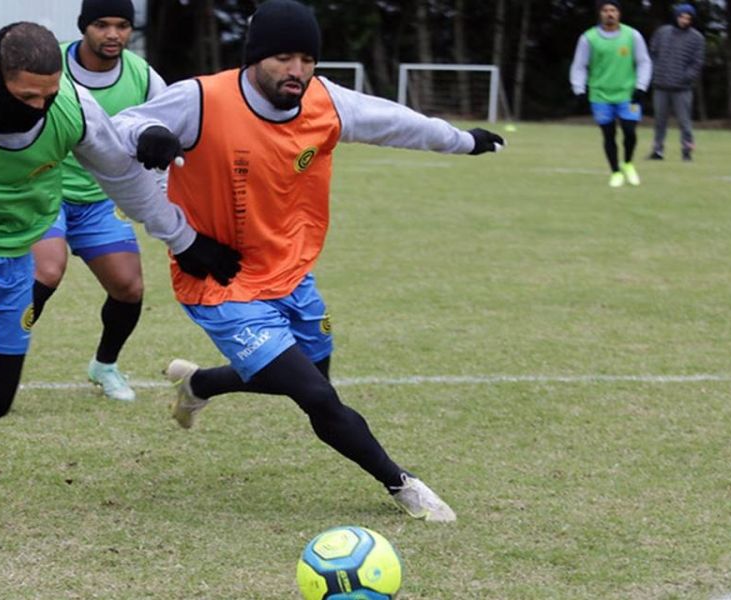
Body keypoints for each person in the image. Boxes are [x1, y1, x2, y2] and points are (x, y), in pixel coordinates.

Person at [112, 0, 504, 523]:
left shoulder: (326, 102)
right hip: (219, 279)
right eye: (282, 58)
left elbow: (398, 122)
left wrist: (464, 141)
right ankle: (402, 484)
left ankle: (200, 384)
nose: (296, 71)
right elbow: (115, 129)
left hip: (292, 274)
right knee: (316, 394)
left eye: (306, 59)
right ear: (254, 58)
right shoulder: (201, 99)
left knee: (298, 375)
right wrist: (146, 135)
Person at [0, 22, 240, 546]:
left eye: (48, 95)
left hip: (17, 252)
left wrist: (182, 237)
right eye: (26, 95)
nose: (39, 107)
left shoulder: (69, 106)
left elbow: (122, 174)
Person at [30, 0, 170, 402]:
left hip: (101, 198)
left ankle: (104, 365)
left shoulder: (142, 76)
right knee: (48, 271)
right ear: (83, 27)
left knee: (128, 286)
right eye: (102, 25)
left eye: (122, 25)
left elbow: (166, 121)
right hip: (45, 189)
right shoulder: (47, 60)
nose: (113, 35)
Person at [569, 0, 652, 188]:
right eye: (605, 10)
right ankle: (615, 171)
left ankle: (628, 163)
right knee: (609, 134)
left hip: (628, 94)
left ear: (619, 13)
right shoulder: (588, 38)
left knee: (630, 131)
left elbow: (644, 62)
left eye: (613, 10)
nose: (609, 14)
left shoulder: (632, 35)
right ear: (600, 14)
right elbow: (579, 65)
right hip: (600, 95)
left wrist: (641, 86)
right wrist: (579, 89)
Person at [648, 3, 704, 162]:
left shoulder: (697, 38)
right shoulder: (662, 33)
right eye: (682, 17)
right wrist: (655, 72)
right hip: (661, 85)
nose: (685, 20)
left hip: (682, 88)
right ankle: (657, 150)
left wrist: (686, 77)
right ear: (676, 16)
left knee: (684, 122)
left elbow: (697, 63)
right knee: (659, 121)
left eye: (688, 18)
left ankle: (687, 151)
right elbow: (652, 53)